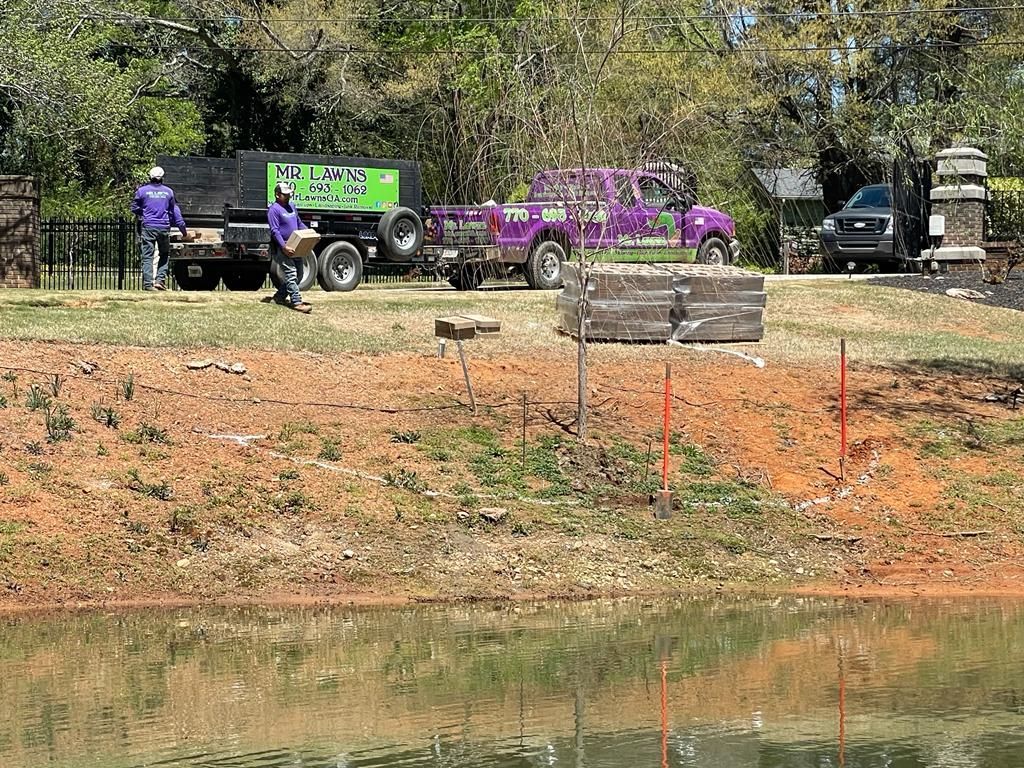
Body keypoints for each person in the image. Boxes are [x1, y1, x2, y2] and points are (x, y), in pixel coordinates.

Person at [130, 166, 188, 291]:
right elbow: (175, 212)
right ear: (162, 177)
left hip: (148, 227)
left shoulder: (142, 191)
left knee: (147, 256)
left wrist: (144, 212)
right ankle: (159, 280)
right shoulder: (168, 192)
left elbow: (134, 208)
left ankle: (147, 284)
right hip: (163, 227)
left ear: (149, 177)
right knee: (164, 254)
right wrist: (183, 230)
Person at [265, 181, 312, 313]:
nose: (288, 196)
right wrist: (284, 247)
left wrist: (310, 233)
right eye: (285, 195)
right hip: (282, 248)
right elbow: (275, 231)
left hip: (296, 246)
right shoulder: (273, 210)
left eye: (289, 194)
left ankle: (279, 297)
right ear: (277, 195)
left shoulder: (291, 205)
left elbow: (299, 223)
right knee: (291, 274)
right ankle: (297, 302)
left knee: (299, 274)